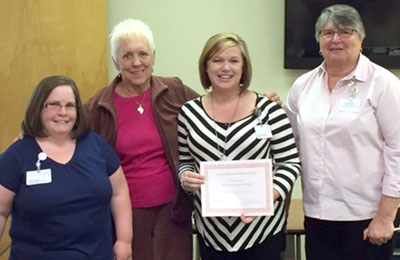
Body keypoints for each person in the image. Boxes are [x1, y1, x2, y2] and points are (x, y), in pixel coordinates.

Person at [86, 19, 282, 260]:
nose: (136, 63)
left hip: (173, 211)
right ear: (116, 61)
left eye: (143, 54)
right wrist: (31, 135)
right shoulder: (99, 106)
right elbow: (68, 133)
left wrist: (259, 101)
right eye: (127, 56)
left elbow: (217, 106)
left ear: (154, 57)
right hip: (126, 213)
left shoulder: (174, 91)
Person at [285, 4, 400, 260]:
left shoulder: (384, 84)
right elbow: (287, 144)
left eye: (345, 31)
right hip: (317, 215)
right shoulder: (302, 87)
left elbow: (398, 151)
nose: (336, 39)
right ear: (318, 40)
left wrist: (386, 216)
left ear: (361, 37)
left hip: (366, 219)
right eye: (327, 33)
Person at [178, 32, 301, 260]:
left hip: (262, 230)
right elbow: (185, 163)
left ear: (244, 67)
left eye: (234, 61)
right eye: (217, 60)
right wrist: (186, 178)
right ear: (206, 66)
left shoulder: (269, 110)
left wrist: (267, 196)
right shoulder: (189, 113)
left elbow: (290, 163)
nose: (226, 68)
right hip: (212, 232)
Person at [0, 76, 132, 260]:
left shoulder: (96, 146)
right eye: (54, 105)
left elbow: (119, 193)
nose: (62, 112)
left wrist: (124, 241)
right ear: (38, 108)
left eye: (70, 105)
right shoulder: (17, 156)